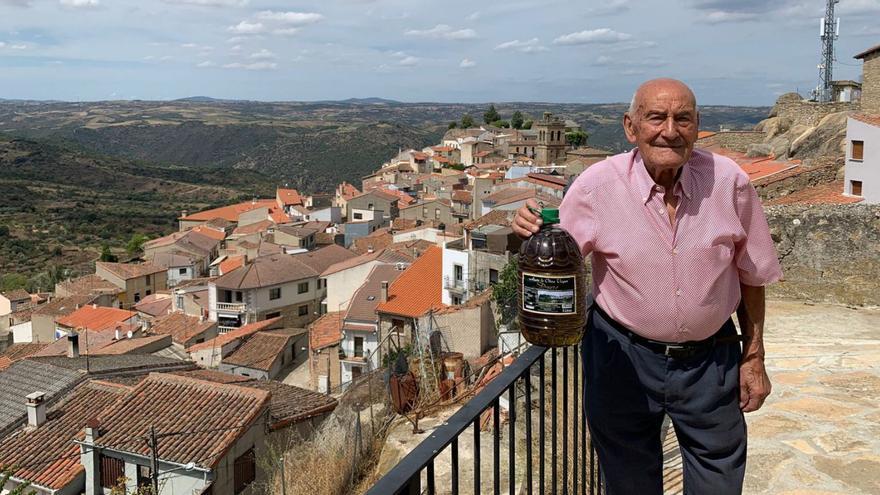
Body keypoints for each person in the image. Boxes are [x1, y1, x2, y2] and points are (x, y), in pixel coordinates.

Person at [513, 78, 781, 494]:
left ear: (697, 125)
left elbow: (752, 276)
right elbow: (556, 257)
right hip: (621, 358)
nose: (670, 130)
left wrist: (754, 356)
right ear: (630, 127)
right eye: (656, 117)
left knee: (720, 481)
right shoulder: (595, 187)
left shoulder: (730, 182)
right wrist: (528, 230)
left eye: (683, 119)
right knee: (628, 484)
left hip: (712, 362)